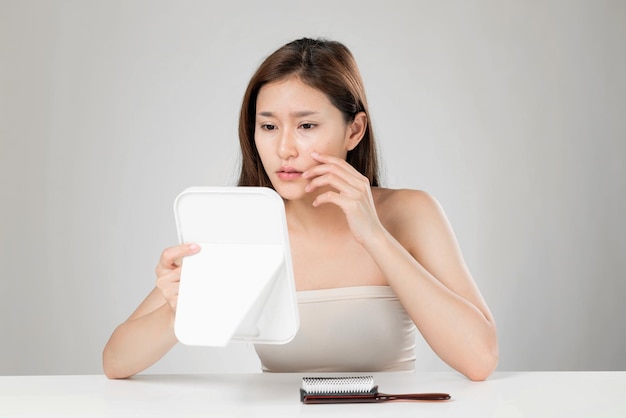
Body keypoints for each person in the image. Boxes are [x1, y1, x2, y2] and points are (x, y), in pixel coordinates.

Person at [102, 37, 498, 381]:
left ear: (354, 131)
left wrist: (374, 236)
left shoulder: (410, 212)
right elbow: (116, 362)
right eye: (269, 127)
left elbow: (479, 359)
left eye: (306, 126)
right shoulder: (238, 226)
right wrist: (179, 311)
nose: (285, 149)